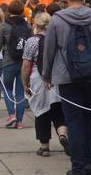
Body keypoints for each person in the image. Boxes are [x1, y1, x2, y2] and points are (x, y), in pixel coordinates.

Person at [43, 0, 91, 175]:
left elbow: (49, 50)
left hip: (66, 77)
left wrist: (47, 74)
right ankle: (89, 162)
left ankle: (78, 166)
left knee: (74, 121)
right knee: (89, 118)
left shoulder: (57, 19)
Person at [22, 12, 69, 157]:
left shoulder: (32, 41)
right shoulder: (58, 39)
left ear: (36, 24)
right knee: (58, 110)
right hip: (57, 79)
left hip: (39, 79)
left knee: (41, 111)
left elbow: (26, 65)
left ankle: (44, 146)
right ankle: (62, 134)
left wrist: (24, 83)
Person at [0, 0, 32, 129]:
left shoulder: (5, 25)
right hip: (23, 62)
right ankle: (19, 122)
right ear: (22, 11)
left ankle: (12, 114)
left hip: (9, 61)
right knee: (20, 91)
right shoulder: (27, 26)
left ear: (9, 11)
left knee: (6, 88)